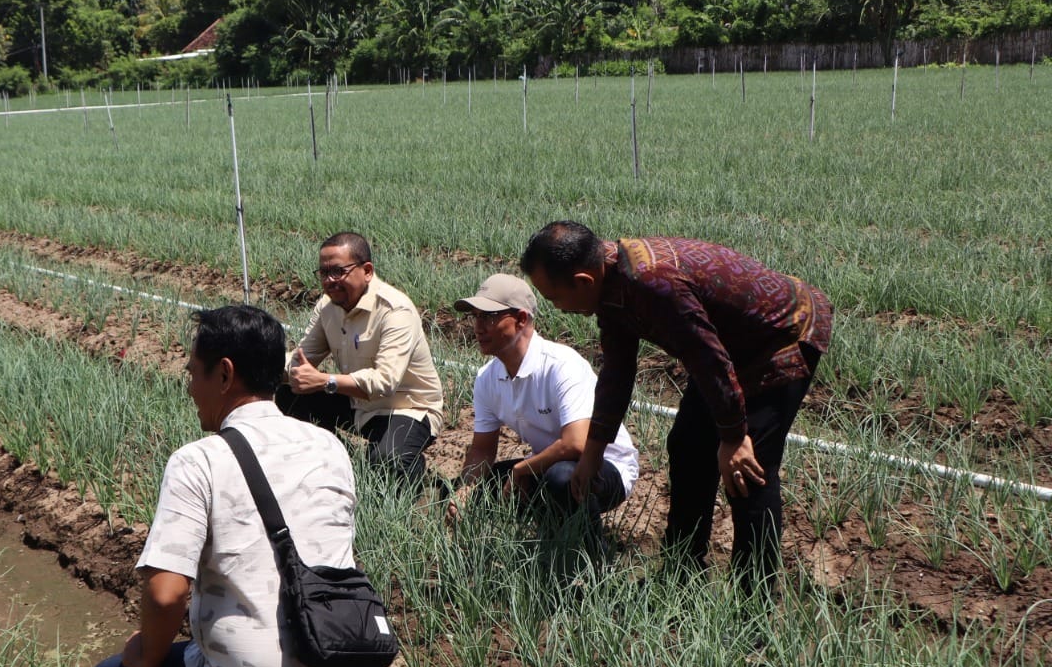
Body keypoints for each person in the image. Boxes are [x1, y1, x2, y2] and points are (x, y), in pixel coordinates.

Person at [88, 305, 370, 667]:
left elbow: (166, 594)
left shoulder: (198, 461)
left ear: (224, 374)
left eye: (193, 373)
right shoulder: (330, 447)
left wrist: (145, 655)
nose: (189, 387)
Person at [519, 221, 832, 589]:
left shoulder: (652, 285)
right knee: (688, 445)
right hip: (725, 345)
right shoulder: (610, 284)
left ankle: (753, 598)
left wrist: (733, 437)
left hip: (779, 335)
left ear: (583, 281)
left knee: (748, 470)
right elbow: (617, 375)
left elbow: (708, 358)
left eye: (555, 298)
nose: (557, 308)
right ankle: (682, 573)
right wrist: (592, 453)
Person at [446, 273, 639, 531]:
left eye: (489, 317)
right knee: (482, 486)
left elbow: (576, 444)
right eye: (476, 316)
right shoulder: (487, 378)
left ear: (521, 319)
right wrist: (465, 490)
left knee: (561, 479)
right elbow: (482, 450)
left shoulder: (561, 365)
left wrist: (523, 469)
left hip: (604, 466)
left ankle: (590, 550)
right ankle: (543, 537)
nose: (478, 327)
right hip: (547, 464)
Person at [279, 231, 445, 484]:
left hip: (406, 408)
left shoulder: (395, 311)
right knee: (290, 394)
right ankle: (336, 461)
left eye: (338, 271)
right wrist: (256, 365)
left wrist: (325, 381)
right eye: (324, 273)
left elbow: (384, 382)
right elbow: (302, 360)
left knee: (388, 461)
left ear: (367, 271)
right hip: (357, 403)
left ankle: (413, 475)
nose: (330, 280)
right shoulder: (328, 307)